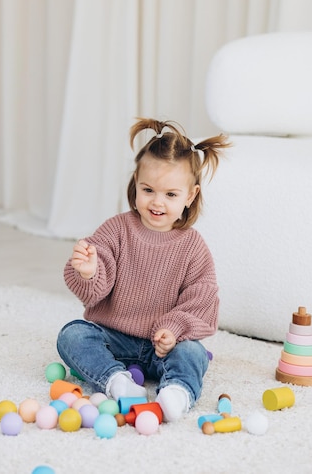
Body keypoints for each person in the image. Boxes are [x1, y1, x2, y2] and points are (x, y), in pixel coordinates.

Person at [57, 118, 230, 422]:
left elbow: (202, 299)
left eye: (171, 195)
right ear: (136, 182)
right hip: (115, 339)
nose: (157, 202)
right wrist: (88, 271)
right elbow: (97, 283)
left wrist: (173, 329)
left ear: (190, 196)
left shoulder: (193, 246)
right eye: (148, 189)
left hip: (163, 346)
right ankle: (117, 382)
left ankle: (177, 392)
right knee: (72, 335)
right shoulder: (117, 229)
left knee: (193, 354)